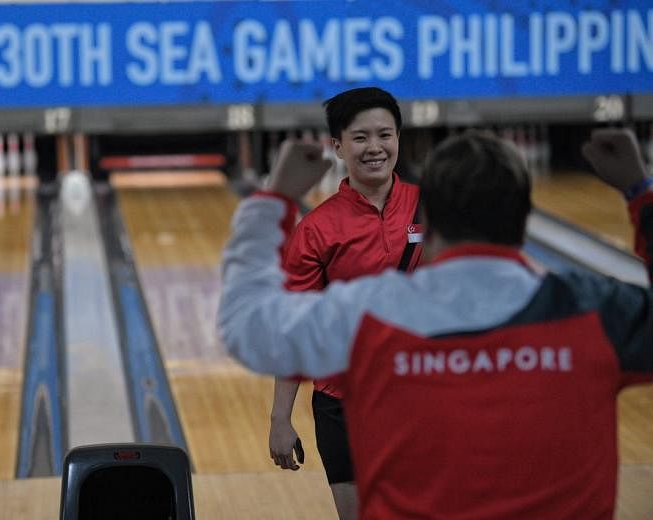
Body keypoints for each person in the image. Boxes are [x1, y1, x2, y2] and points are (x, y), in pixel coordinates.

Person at [219, 128, 653, 518]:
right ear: (524, 225)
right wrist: (640, 191)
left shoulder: (369, 316)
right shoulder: (597, 311)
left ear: (425, 224)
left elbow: (247, 325)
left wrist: (274, 198)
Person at [268, 87, 422, 520]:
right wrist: (281, 418)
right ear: (337, 146)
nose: (374, 148)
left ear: (398, 138)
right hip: (343, 403)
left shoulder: (432, 208)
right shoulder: (317, 229)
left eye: (384, 135)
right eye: (360, 137)